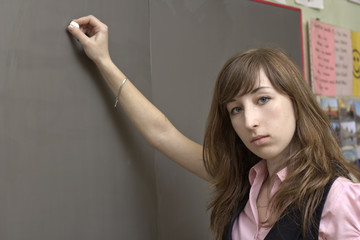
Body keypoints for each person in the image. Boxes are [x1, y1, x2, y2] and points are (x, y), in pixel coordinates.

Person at [67, 15, 360, 240]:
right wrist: (103, 60)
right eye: (236, 109)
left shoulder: (337, 197)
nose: (249, 121)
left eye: (263, 99)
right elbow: (163, 133)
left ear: (296, 102)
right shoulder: (242, 179)